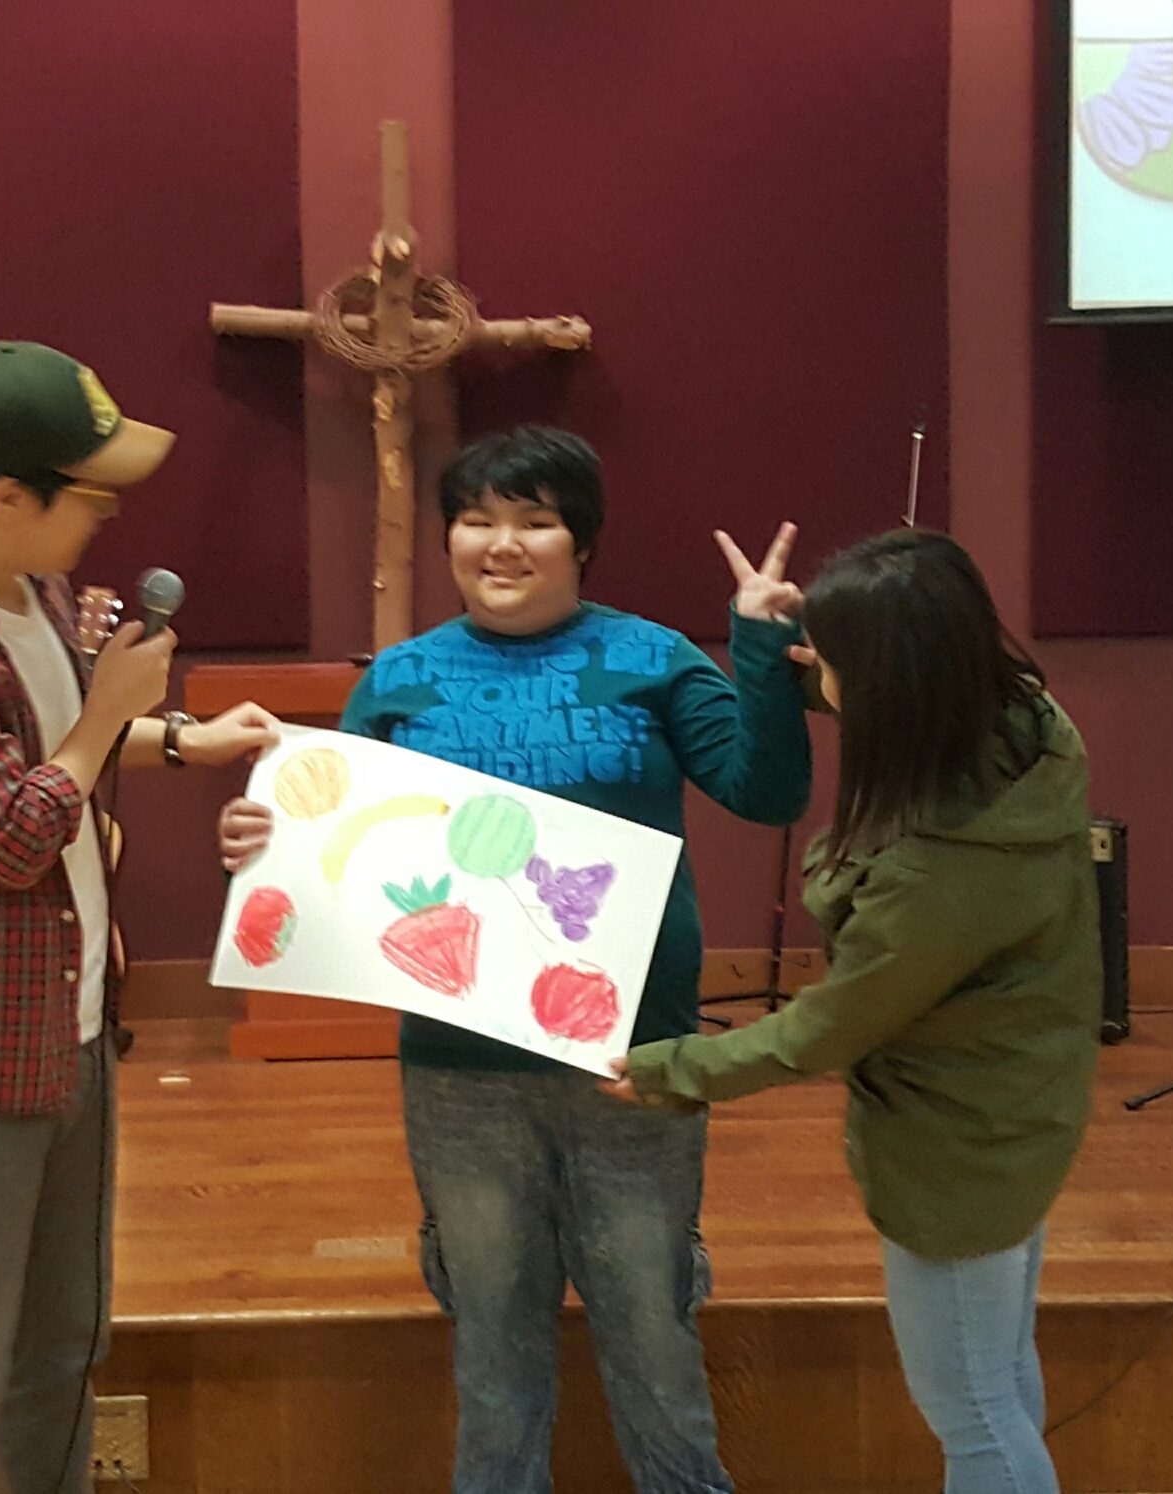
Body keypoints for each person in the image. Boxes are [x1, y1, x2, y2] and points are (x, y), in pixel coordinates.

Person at [218, 425, 810, 1494]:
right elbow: (341, 858)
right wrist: (265, 844)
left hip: (635, 1063)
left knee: (654, 1338)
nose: (502, 543)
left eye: (535, 521)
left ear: (580, 542)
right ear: (447, 536)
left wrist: (760, 651)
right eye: (477, 519)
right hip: (461, 1071)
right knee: (491, 1352)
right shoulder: (399, 679)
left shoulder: (653, 659)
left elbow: (766, 793)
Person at [0, 339, 279, 1494]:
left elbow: (45, 747)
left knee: (62, 1354)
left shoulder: (28, 591)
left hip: (68, 1031)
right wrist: (110, 707)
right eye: (91, 496)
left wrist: (181, 739)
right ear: (8, 496)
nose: (107, 517)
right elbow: (8, 834)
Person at [603, 528, 1103, 1494]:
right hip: (1019, 1108)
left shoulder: (933, 882)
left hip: (959, 1154)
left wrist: (670, 1069)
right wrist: (764, 639)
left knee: (972, 1411)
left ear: (887, 686)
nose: (820, 678)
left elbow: (821, 1031)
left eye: (831, 664)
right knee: (997, 1376)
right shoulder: (1026, 723)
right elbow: (870, 689)